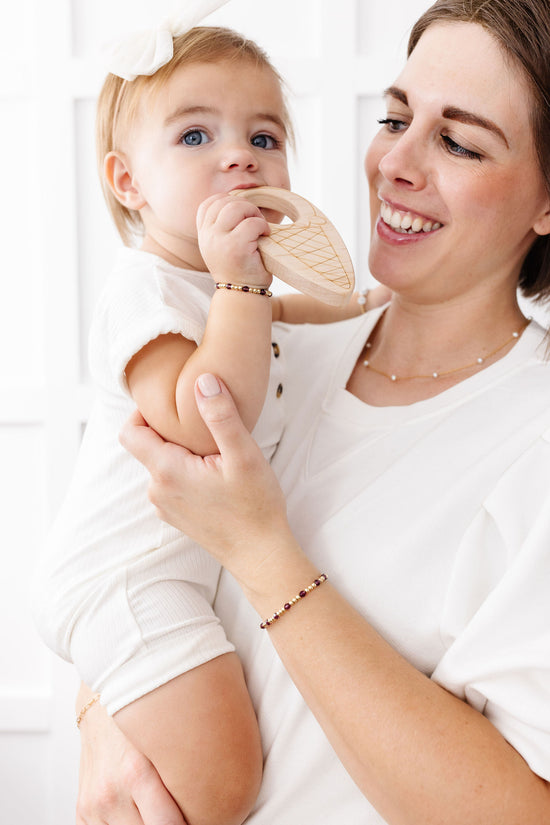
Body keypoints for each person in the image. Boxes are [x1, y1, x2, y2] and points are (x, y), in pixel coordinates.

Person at [74, 0, 550, 823]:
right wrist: (99, 717)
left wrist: (262, 549)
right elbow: (122, 535)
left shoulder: (530, 439)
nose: (395, 161)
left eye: (459, 141)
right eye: (396, 117)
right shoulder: (255, 339)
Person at [31, 11, 386, 825]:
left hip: (172, 571)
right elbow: (200, 417)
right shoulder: (145, 291)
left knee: (206, 767)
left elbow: (284, 318)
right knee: (219, 780)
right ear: (129, 183)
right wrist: (239, 286)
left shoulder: (232, 290)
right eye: (195, 136)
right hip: (121, 575)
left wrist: (364, 307)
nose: (239, 155)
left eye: (264, 137)